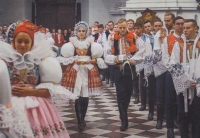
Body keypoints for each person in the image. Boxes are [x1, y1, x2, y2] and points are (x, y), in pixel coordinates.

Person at [0, 20, 77, 138]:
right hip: (9, 107)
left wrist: (30, 91)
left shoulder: (41, 62)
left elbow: (49, 91)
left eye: (26, 41)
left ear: (32, 43)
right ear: (13, 42)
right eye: (19, 41)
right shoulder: (4, 62)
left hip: (36, 108)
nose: (22, 45)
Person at [58, 21, 104, 131]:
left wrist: (93, 60)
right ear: (76, 32)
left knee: (86, 95)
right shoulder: (72, 44)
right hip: (76, 70)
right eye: (79, 31)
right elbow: (66, 57)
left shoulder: (91, 43)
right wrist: (74, 60)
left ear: (86, 32)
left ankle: (83, 117)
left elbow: (97, 57)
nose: (81, 33)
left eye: (83, 31)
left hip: (88, 70)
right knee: (77, 95)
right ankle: (80, 120)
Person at [105, 18, 144, 131]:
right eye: (120, 27)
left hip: (129, 69)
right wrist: (114, 58)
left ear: (127, 26)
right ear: (117, 27)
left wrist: (134, 59)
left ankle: (124, 112)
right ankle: (124, 120)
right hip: (117, 68)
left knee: (128, 93)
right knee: (120, 94)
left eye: (124, 27)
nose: (122, 30)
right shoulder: (112, 37)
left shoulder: (134, 36)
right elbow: (106, 52)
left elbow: (142, 50)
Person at [170, 19, 200, 138]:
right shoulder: (179, 44)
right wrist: (187, 81)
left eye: (188, 28)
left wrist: (197, 83)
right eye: (184, 28)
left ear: (196, 29)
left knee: (197, 117)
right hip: (184, 87)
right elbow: (174, 64)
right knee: (182, 115)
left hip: (197, 89)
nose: (185, 30)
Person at [162, 16, 185, 138]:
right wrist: (174, 71)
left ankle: (183, 126)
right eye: (178, 24)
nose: (180, 26)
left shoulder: (187, 39)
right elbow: (165, 58)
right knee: (170, 101)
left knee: (182, 101)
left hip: (185, 75)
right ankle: (169, 127)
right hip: (171, 73)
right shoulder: (168, 39)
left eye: (182, 24)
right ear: (174, 25)